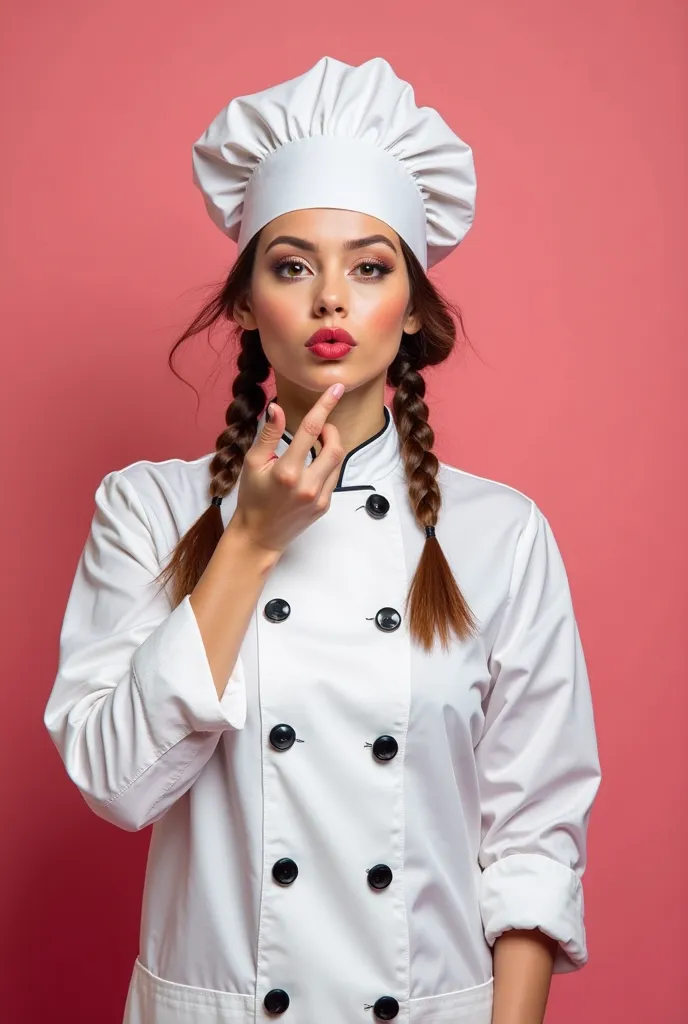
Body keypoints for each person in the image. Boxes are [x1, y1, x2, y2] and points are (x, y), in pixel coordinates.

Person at [44, 56, 601, 1024]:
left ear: (415, 310)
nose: (331, 298)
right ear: (243, 305)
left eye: (371, 266)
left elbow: (531, 832)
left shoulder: (498, 531)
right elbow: (118, 783)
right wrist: (250, 544)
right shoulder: (147, 509)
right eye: (292, 264)